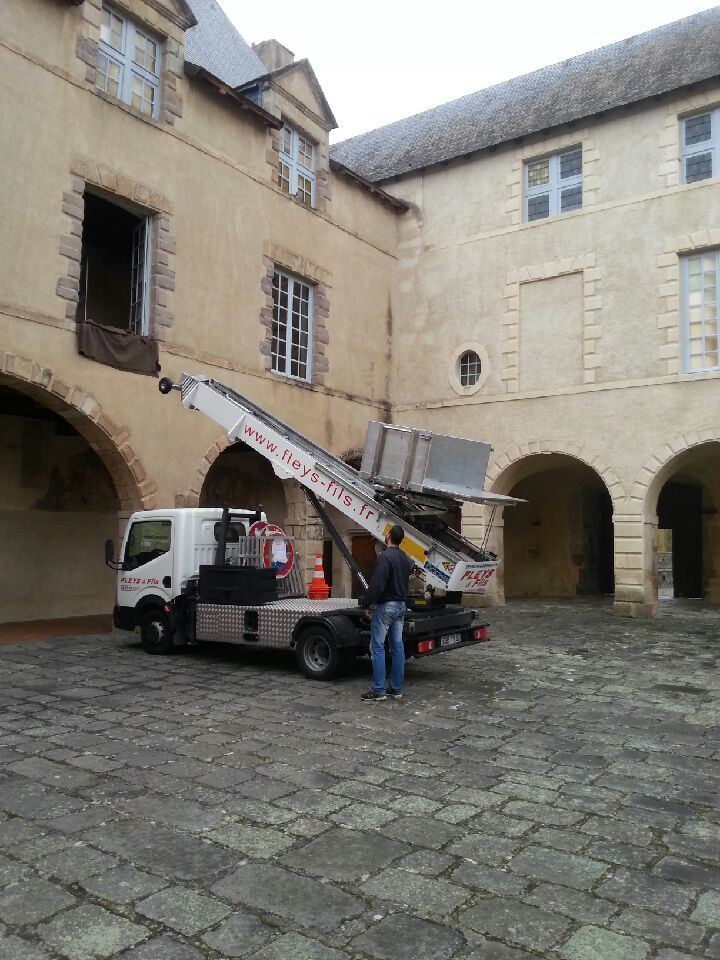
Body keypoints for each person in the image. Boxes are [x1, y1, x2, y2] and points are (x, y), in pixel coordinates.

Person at [360, 525, 414, 702]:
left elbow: (377, 584)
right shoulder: (405, 558)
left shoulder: (385, 557)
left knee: (377, 647)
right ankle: (396, 689)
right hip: (401, 605)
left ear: (389, 536)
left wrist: (367, 603)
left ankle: (378, 690)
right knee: (397, 647)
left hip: (386, 606)